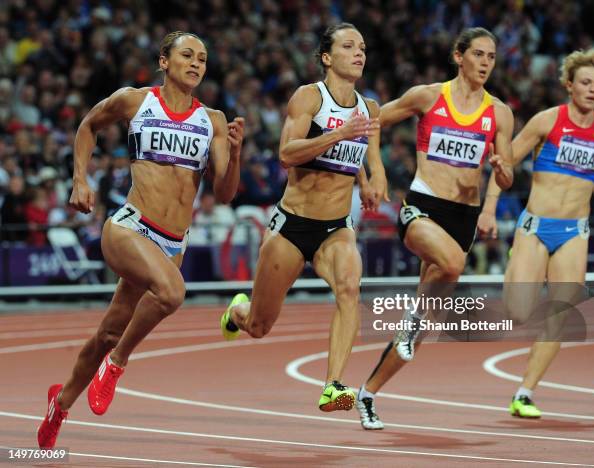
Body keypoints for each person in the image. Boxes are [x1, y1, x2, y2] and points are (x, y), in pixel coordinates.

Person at [37, 31, 244, 448]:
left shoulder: (214, 121)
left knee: (109, 331)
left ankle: (59, 404)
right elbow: (88, 125)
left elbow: (224, 194)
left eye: (202, 59)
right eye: (187, 55)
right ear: (164, 61)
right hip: (130, 227)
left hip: (173, 243)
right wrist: (80, 179)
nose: (196, 64)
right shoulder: (135, 101)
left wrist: (235, 155)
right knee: (171, 294)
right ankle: (115, 367)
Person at [220, 23, 387, 412]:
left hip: (336, 227)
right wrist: (338, 134)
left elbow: (373, 161)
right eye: (349, 47)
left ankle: (334, 386)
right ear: (327, 58)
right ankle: (237, 311)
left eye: (362, 47)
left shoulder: (370, 109)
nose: (359, 53)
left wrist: (371, 182)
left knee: (349, 289)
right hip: (292, 226)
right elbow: (286, 153)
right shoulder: (310, 97)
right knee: (260, 327)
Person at [355, 27, 514, 430]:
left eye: (491, 57)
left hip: (464, 217)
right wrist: (373, 173)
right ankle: (411, 321)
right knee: (453, 266)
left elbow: (507, 172)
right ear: (458, 56)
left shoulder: (500, 113)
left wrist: (501, 171)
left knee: (420, 332)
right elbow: (371, 119)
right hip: (421, 208)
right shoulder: (428, 96)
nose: (484, 63)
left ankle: (367, 394)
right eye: (477, 54)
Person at [480, 48, 594, 418]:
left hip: (575, 233)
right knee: (519, 313)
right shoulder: (546, 121)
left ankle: (524, 393)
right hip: (536, 228)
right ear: (570, 85)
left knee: (561, 315)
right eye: (585, 82)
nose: (592, 89)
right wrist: (489, 208)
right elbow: (504, 165)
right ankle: (515, 260)